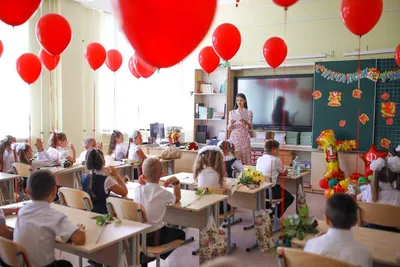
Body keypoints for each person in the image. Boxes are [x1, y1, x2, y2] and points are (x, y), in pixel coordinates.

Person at [14, 170, 86, 267]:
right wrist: (79, 228)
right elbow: (80, 239)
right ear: (54, 191)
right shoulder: (54, 216)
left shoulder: (22, 211)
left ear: (27, 191)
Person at [134, 158, 185, 267]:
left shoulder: (137, 190)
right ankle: (155, 255)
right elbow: (177, 197)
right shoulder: (163, 193)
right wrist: (175, 183)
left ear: (143, 176)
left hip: (137, 237)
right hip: (155, 237)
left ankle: (144, 258)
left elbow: (146, 185)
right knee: (181, 234)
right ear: (162, 174)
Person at [304, 194, 372, 267]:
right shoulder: (364, 253)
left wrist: (316, 241)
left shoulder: (311, 245)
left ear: (326, 219)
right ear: (355, 222)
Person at [81, 149, 128, 214]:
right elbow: (124, 192)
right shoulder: (106, 180)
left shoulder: (83, 177)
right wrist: (116, 175)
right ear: (103, 162)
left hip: (90, 213)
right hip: (104, 214)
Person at [256, 139, 294, 217]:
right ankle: (275, 213)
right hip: (270, 192)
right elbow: (285, 173)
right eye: (278, 150)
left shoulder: (259, 159)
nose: (279, 152)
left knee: (276, 188)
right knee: (290, 197)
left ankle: (269, 211)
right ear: (274, 150)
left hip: (259, 190)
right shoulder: (275, 160)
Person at [193, 146, 231, 213]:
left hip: (201, 205)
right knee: (228, 206)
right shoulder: (218, 174)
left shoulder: (200, 172)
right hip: (214, 206)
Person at [227, 93, 253, 165]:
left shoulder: (249, 113)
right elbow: (229, 128)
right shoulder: (232, 112)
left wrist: (246, 123)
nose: (239, 102)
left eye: (241, 100)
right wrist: (232, 123)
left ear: (244, 101)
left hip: (244, 137)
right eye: (237, 100)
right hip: (234, 137)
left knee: (245, 156)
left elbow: (250, 129)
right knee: (235, 156)